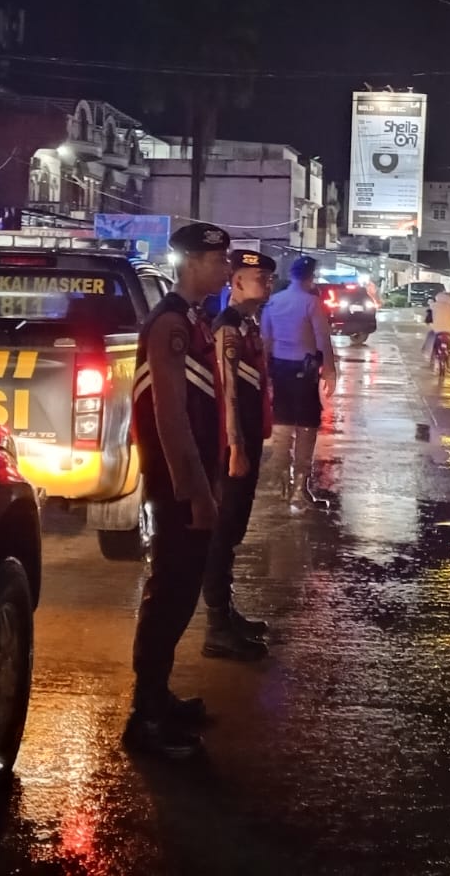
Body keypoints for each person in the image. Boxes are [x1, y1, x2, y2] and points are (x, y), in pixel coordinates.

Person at [123, 221, 232, 761]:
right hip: (175, 484)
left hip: (190, 479)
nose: (227, 268)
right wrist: (196, 491)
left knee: (180, 589)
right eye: (219, 260)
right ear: (191, 262)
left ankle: (158, 697)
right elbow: (170, 416)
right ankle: (145, 717)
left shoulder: (192, 320)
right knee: (169, 592)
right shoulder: (170, 324)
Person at [201, 249, 277, 662]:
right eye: (258, 277)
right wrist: (235, 448)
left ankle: (227, 614)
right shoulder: (227, 329)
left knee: (233, 533)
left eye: (268, 277)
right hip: (234, 446)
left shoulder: (249, 324)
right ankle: (216, 626)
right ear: (236, 282)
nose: (266, 283)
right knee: (222, 533)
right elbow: (228, 392)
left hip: (249, 439)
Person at [260, 255, 336, 511]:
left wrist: (265, 373)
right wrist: (330, 371)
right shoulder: (311, 302)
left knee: (281, 425)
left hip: (280, 369)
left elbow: (265, 339)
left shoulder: (274, 301)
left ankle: (277, 483)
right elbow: (322, 338)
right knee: (306, 427)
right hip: (304, 371)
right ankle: (299, 489)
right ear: (310, 277)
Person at [421, 289, 450, 364]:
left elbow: (428, 319)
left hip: (437, 331)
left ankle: (426, 352)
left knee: (430, 335)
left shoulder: (433, 306)